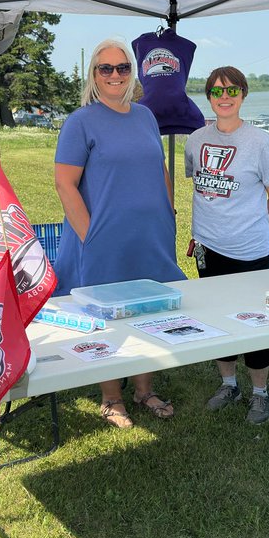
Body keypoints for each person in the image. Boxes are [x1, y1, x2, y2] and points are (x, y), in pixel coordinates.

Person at [54, 38, 185, 428]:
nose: (115, 75)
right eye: (106, 68)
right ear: (93, 75)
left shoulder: (145, 117)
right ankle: (111, 397)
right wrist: (89, 234)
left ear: (134, 74)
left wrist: (169, 212)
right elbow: (65, 183)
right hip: (102, 240)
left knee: (150, 309)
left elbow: (159, 168)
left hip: (150, 235)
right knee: (106, 316)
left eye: (123, 67)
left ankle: (144, 389)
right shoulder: (80, 121)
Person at [184, 66, 269, 424]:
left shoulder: (260, 142)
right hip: (208, 248)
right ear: (208, 97)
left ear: (243, 95)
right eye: (216, 92)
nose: (224, 98)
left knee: (254, 322)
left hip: (249, 250)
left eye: (231, 91)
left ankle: (260, 393)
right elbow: (198, 184)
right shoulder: (195, 139)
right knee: (216, 318)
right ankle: (229, 384)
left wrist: (256, 230)